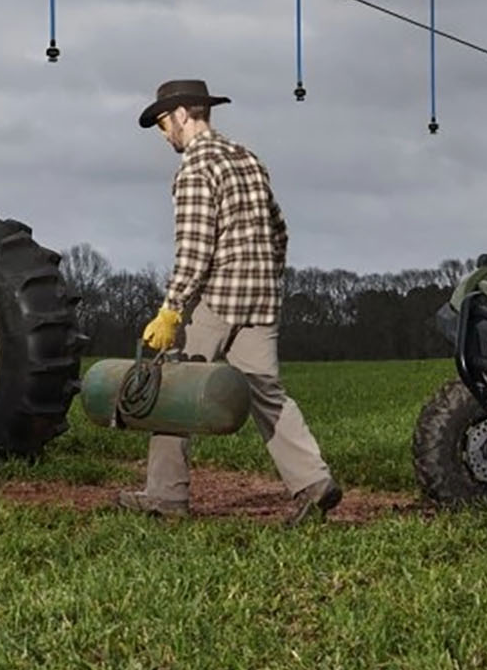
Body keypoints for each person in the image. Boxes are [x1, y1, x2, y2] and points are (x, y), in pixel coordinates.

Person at [117, 78, 341, 524]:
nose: (165, 135)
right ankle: (314, 482)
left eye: (164, 124)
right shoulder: (247, 159)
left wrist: (171, 308)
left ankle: (166, 496)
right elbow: (279, 231)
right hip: (261, 299)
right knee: (266, 392)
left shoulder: (197, 168)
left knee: (171, 388)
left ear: (182, 115)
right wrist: (266, 279)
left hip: (215, 300)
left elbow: (195, 250)